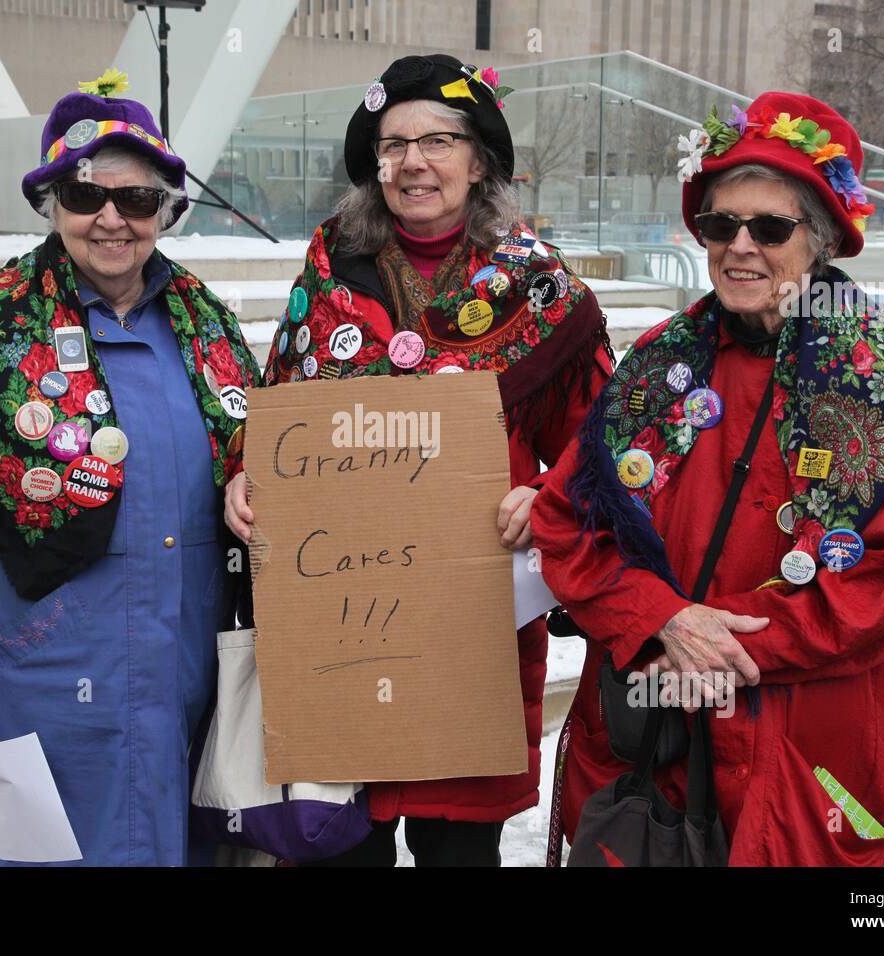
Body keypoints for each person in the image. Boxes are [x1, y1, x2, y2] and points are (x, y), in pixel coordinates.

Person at [531, 91, 884, 866]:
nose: (741, 247)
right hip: (645, 740)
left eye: (770, 227)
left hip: (792, 757)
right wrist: (659, 618)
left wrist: (711, 649)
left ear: (821, 239)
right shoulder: (664, 359)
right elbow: (567, 517)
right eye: (721, 225)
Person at [224, 54, 615, 866]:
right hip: (342, 622)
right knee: (338, 851)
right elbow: (279, 405)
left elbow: (605, 440)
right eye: (391, 144)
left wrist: (548, 494)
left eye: (437, 140)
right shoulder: (330, 267)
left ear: (480, 162)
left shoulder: (539, 290)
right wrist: (245, 474)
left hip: (469, 627)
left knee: (458, 856)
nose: (412, 162)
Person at [0, 71, 259, 865]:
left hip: (180, 702)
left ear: (167, 210)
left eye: (139, 200)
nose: (112, 219)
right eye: (86, 197)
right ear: (53, 204)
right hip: (35, 707)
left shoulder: (208, 331)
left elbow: (254, 475)